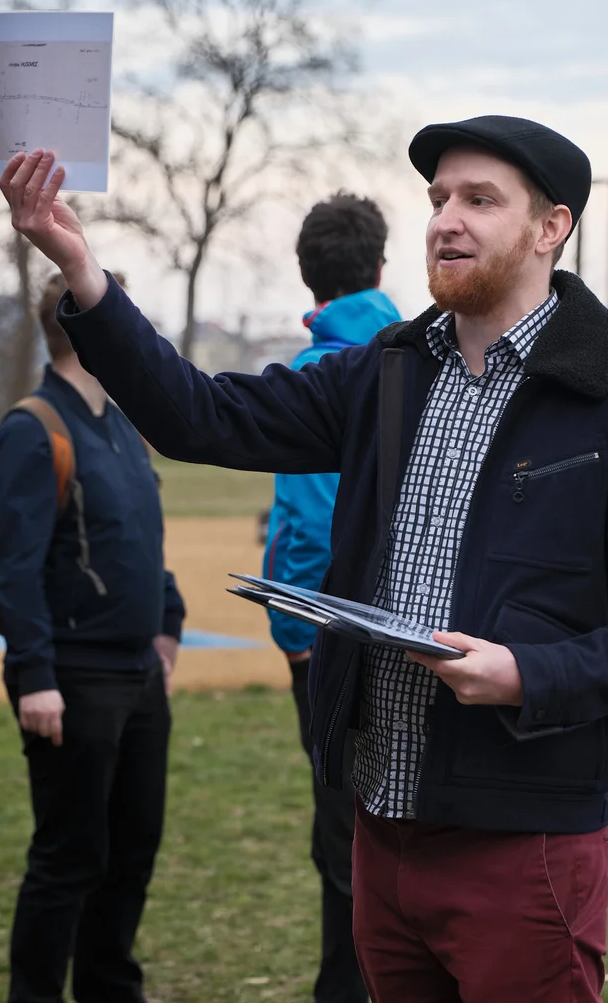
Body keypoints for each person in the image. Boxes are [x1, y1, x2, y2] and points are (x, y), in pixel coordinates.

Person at [0, 116, 608, 1003]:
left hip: (522, 842)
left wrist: (528, 674)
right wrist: (83, 274)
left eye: (479, 200)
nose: (446, 220)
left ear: (551, 228)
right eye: (437, 200)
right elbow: (200, 416)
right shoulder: (384, 373)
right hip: (378, 828)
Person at [0, 273, 185, 1003]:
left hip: (138, 676)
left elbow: (141, 539)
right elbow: (17, 568)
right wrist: (34, 675)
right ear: (91, 329)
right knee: (69, 859)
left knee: (132, 854)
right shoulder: (30, 431)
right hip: (70, 679)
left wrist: (168, 624)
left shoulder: (122, 427)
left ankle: (109, 989)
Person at [263, 193, 400, 1003]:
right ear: (381, 267)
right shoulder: (419, 355)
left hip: (334, 641)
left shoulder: (321, 374)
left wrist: (298, 635)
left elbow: (310, 522)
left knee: (343, 838)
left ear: (307, 275)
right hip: (412, 630)